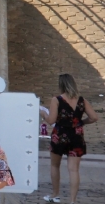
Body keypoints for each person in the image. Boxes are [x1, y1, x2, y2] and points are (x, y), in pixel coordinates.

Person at [39, 74, 99, 204]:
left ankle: (55, 195)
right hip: (76, 136)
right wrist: (81, 122)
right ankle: (72, 200)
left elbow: (51, 120)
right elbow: (94, 117)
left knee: (55, 165)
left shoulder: (57, 100)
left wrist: (43, 113)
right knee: (74, 170)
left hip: (60, 135)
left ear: (61, 85)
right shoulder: (82, 100)